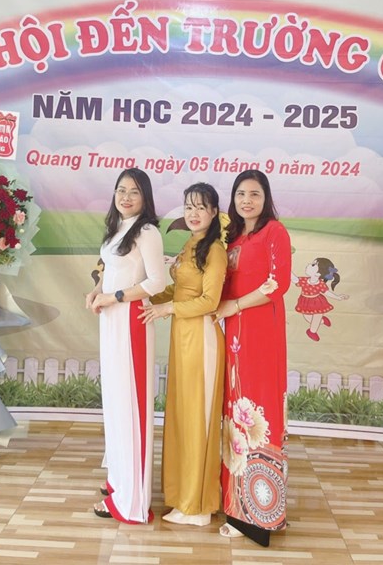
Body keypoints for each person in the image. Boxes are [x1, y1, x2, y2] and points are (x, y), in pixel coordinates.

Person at [140, 183, 227, 526]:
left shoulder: (215, 250)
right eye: (189, 206)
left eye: (201, 207)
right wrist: (144, 299)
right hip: (183, 338)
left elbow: (210, 301)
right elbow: (178, 289)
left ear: (214, 212)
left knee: (196, 420)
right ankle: (183, 498)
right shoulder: (192, 244)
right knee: (182, 417)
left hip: (202, 338)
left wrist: (168, 309)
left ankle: (199, 507)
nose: (193, 213)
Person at [214, 169, 292, 547]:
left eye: (255, 194)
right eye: (241, 194)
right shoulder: (234, 237)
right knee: (235, 414)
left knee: (260, 414)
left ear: (266, 198)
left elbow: (278, 283)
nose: (247, 200)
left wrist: (236, 306)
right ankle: (237, 504)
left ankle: (260, 515)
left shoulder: (274, 232)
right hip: (234, 335)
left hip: (262, 333)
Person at [86, 168, 167, 524]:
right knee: (116, 404)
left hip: (131, 320)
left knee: (130, 406)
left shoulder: (147, 231)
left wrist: (114, 296)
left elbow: (157, 282)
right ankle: (119, 481)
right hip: (111, 319)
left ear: (145, 197)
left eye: (134, 191)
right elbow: (109, 268)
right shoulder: (118, 227)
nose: (126, 197)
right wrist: (96, 291)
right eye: (121, 190)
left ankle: (133, 500)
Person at [292, 257, 349, 341]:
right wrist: (287, 270)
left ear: (318, 274)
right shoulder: (304, 280)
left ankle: (312, 332)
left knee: (317, 316)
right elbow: (294, 279)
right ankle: (322, 321)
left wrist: (337, 297)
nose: (308, 264)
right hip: (305, 302)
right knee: (308, 318)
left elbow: (327, 292)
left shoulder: (320, 284)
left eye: (313, 265)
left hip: (318, 302)